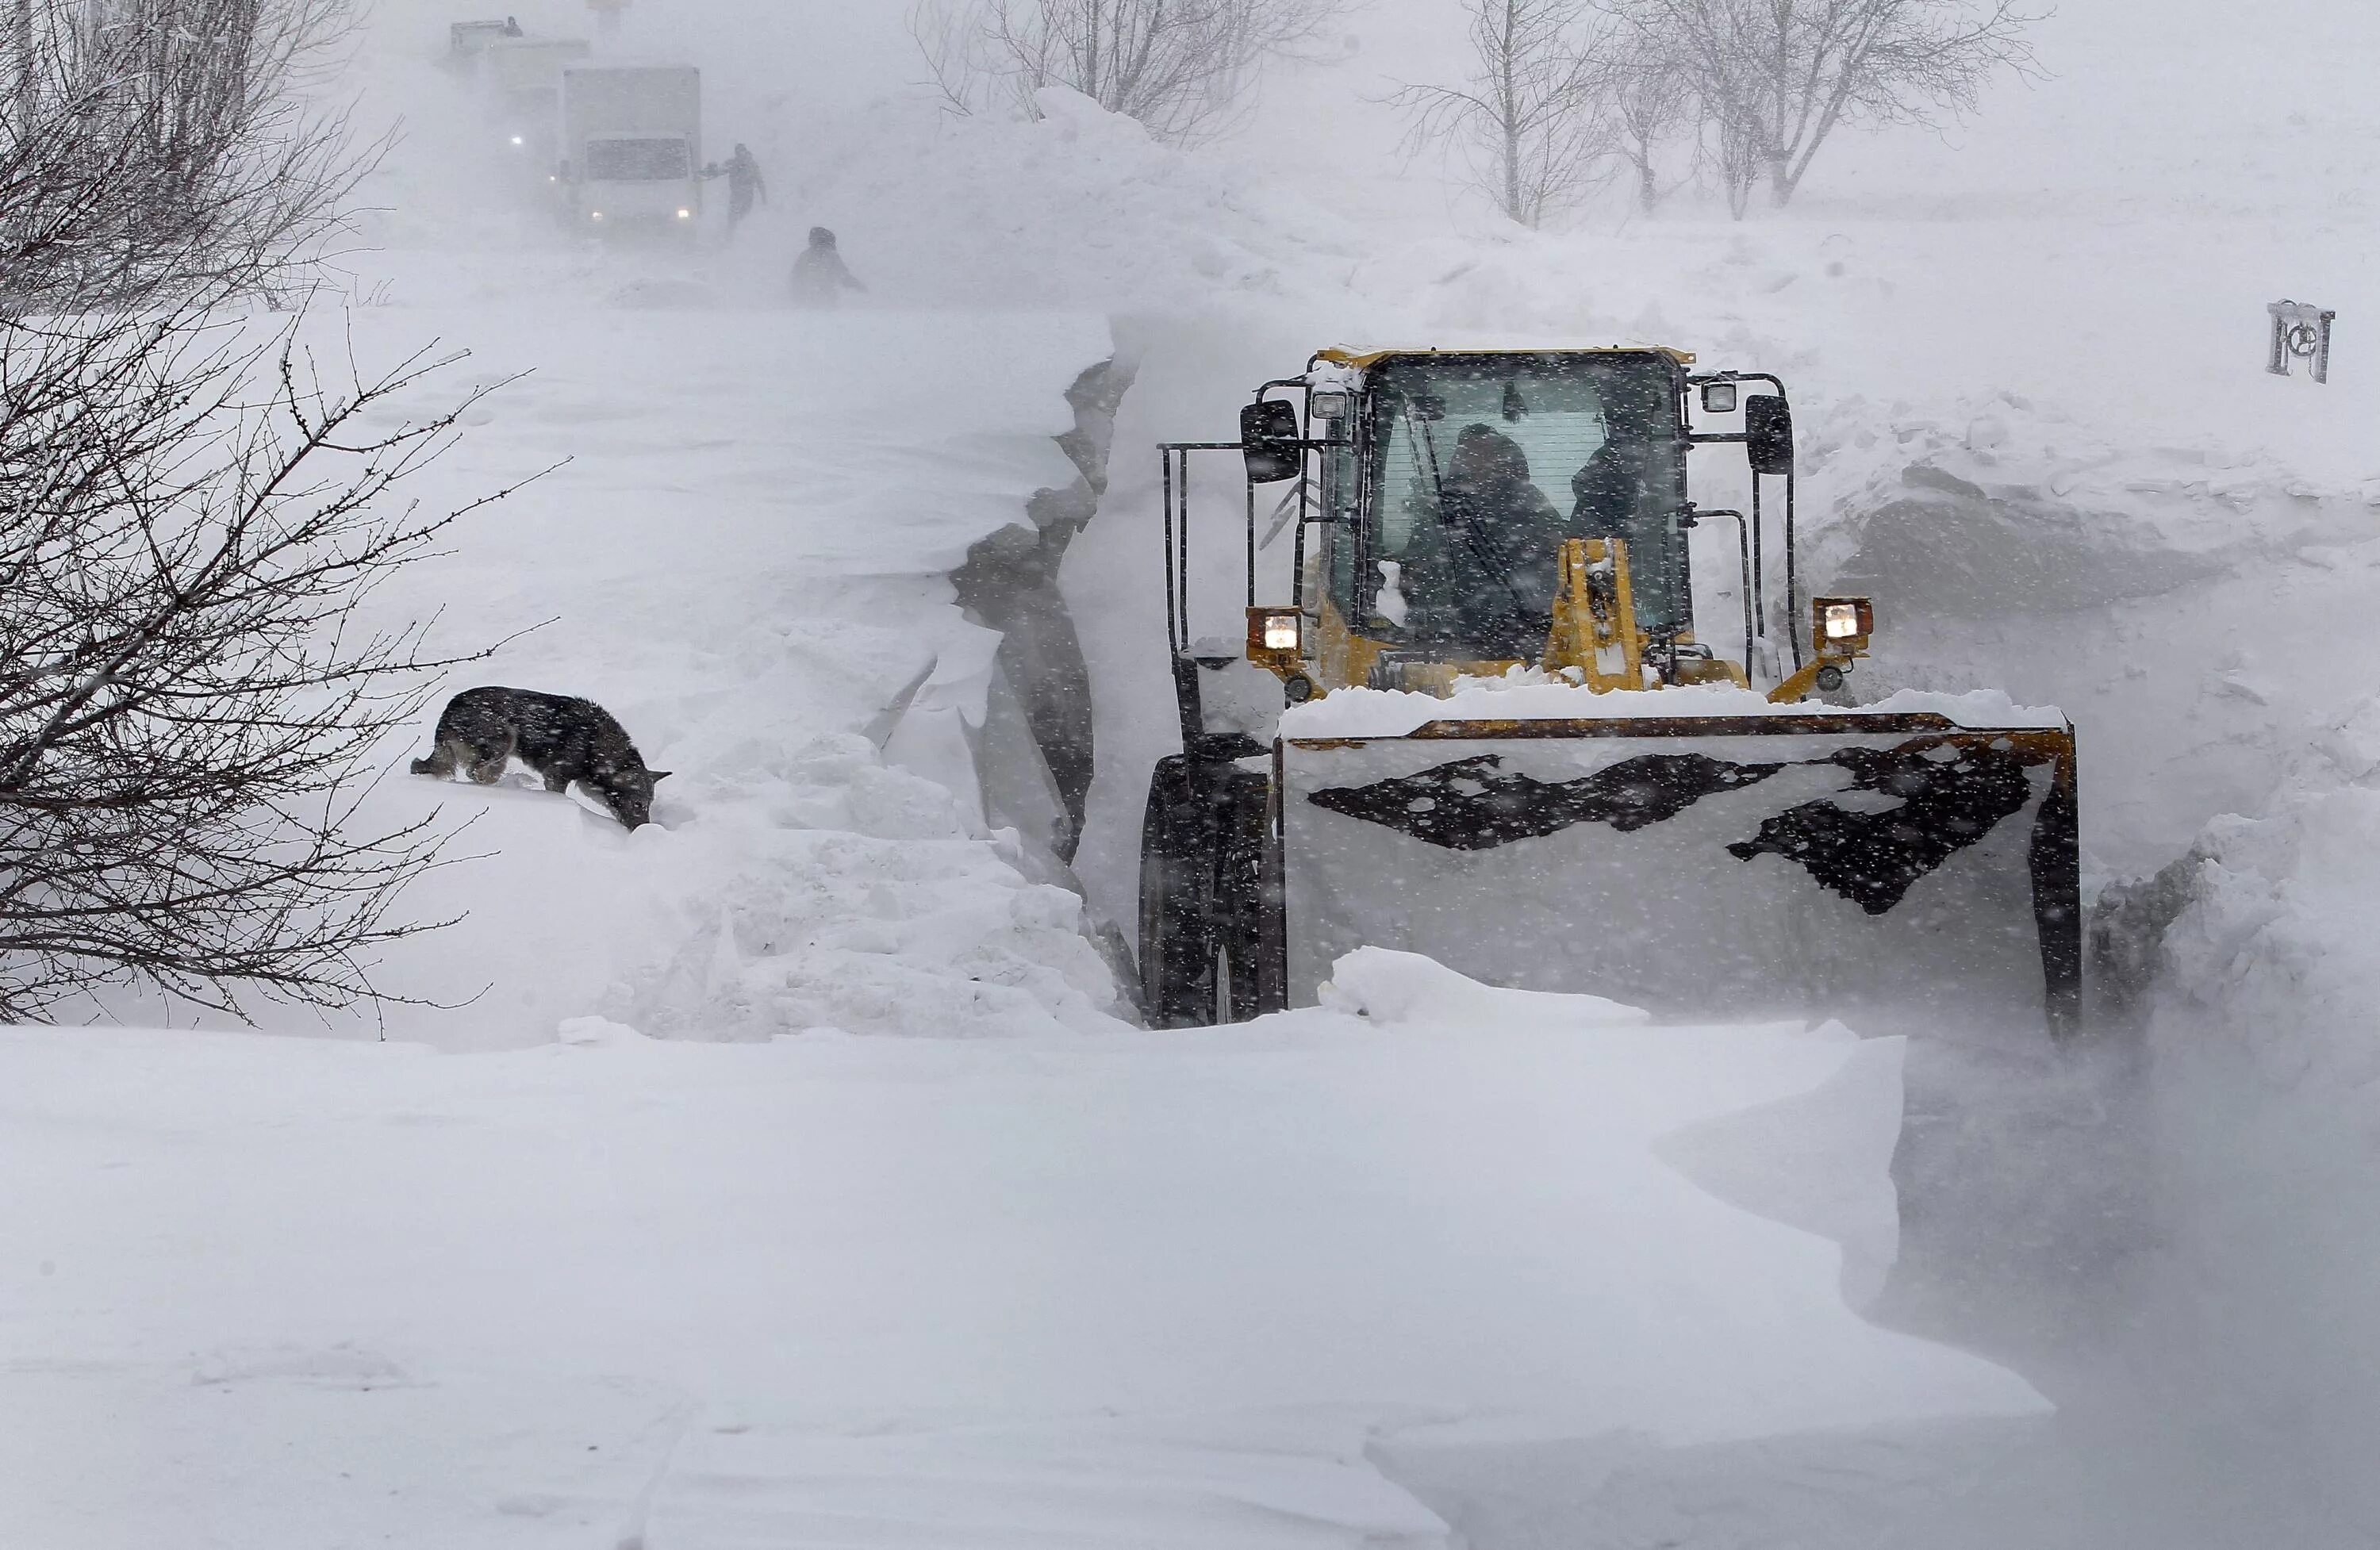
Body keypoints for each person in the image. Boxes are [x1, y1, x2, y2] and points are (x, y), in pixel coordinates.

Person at [1401, 423, 1565, 654]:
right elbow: (1418, 560)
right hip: (1454, 629)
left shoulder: (1526, 499)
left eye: (1484, 454)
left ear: (1500, 460)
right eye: (1467, 454)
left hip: (1531, 620)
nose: (1474, 461)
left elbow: (1560, 548)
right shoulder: (1441, 505)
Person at [789, 226, 866, 309]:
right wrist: (859, 287)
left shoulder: (805, 256)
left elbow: (795, 278)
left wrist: (796, 297)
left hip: (808, 302)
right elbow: (843, 277)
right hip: (826, 301)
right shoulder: (831, 256)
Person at [711, 143, 765, 233]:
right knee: (733, 219)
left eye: (741, 151)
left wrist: (764, 198)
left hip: (747, 196)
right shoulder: (732, 163)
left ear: (745, 151)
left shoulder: (752, 165)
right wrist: (712, 171)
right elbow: (720, 171)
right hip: (736, 196)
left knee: (744, 219)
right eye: (738, 152)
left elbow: (760, 182)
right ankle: (732, 238)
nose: (740, 154)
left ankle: (742, 237)